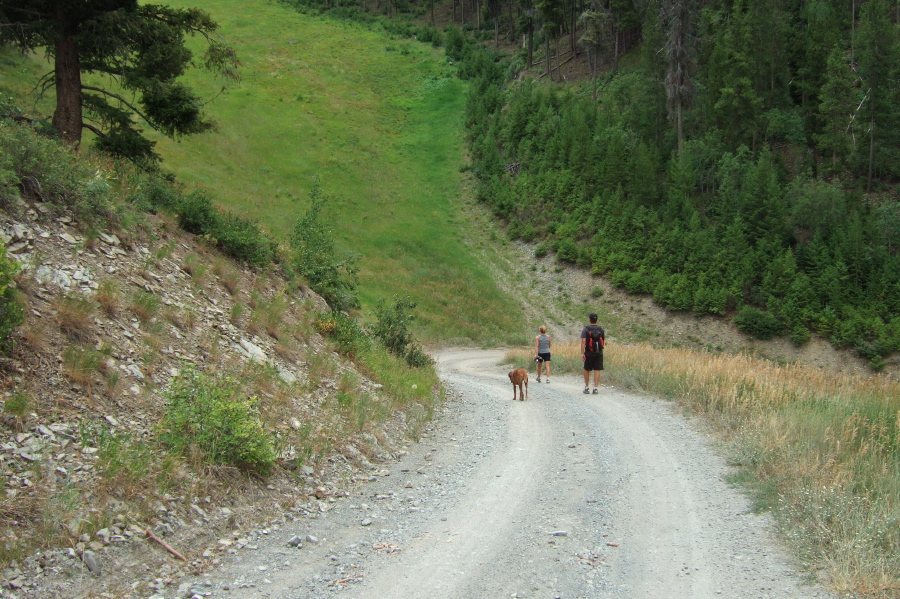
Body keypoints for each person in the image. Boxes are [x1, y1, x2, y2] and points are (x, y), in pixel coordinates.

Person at [580, 313, 605, 395]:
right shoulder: (601, 329)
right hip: (599, 352)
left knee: (587, 369)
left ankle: (587, 388)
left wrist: (582, 353)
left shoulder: (586, 329)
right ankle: (595, 388)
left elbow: (583, 341)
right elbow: (603, 341)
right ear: (596, 319)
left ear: (589, 319)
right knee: (597, 369)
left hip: (589, 352)